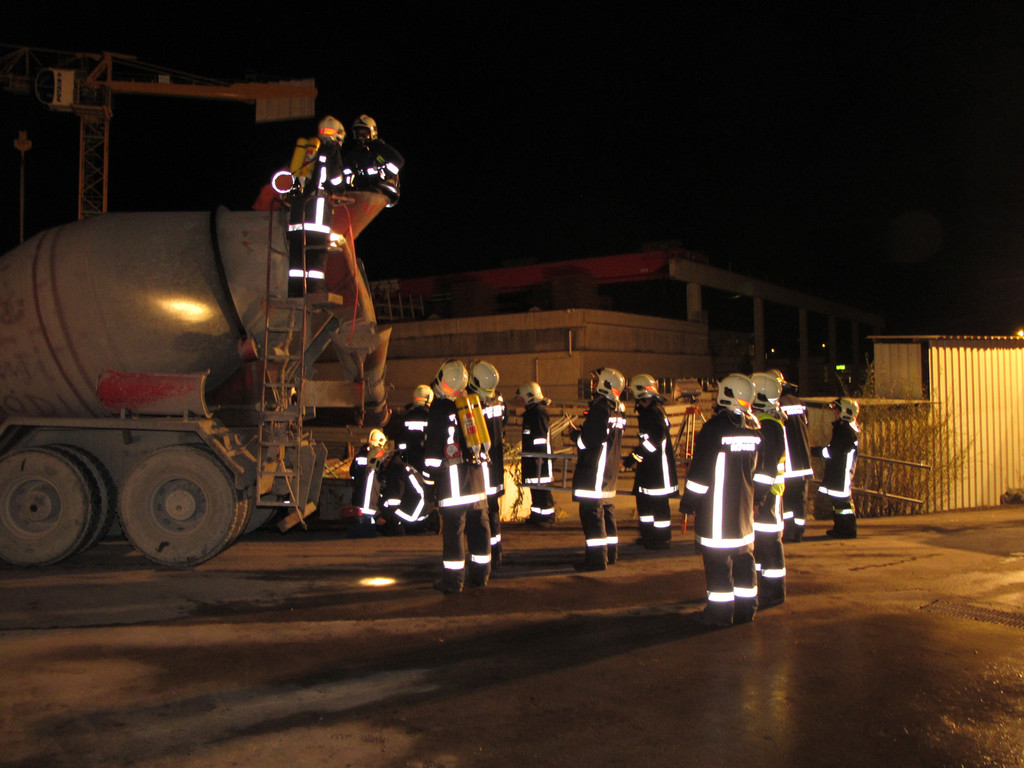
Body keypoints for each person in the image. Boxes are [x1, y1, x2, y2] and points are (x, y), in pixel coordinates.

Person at [679, 374, 762, 627]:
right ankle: (747, 609)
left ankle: (720, 614)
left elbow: (700, 475)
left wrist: (689, 503)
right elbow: (758, 471)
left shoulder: (713, 429)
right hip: (744, 513)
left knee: (718, 564)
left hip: (717, 514)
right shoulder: (754, 427)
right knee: (744, 561)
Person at [422, 359, 491, 593]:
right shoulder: (471, 404)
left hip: (453, 485)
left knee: (454, 532)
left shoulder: (439, 408)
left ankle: (453, 581)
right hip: (477, 479)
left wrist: (429, 482)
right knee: (479, 528)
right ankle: (481, 576)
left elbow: (433, 453)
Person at [570, 367, 627, 571]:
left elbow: (589, 441)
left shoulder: (601, 408)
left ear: (606, 384)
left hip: (594, 471)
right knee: (607, 513)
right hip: (608, 472)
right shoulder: (618, 409)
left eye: (597, 381)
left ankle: (596, 560)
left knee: (592, 515)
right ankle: (610, 554)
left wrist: (575, 436)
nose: (593, 384)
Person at [286, 115, 348, 296]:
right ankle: (314, 292)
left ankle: (295, 293)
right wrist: (341, 188)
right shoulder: (331, 151)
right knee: (317, 258)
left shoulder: (308, 151)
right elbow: (335, 180)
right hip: (317, 216)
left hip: (297, 217)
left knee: (297, 262)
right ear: (338, 134)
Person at [623, 374, 678, 550]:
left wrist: (634, 457)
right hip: (650, 469)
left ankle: (660, 539)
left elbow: (653, 442)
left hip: (657, 471)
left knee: (658, 506)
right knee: (645, 503)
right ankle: (648, 535)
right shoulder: (652, 412)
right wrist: (637, 459)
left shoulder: (653, 413)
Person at [751, 372, 788, 607]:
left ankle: (773, 593)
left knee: (769, 545)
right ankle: (762, 588)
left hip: (767, 496)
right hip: (769, 494)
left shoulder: (767, 426)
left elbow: (765, 469)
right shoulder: (769, 422)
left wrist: (757, 499)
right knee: (763, 545)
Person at [468, 360, 508, 566]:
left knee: (479, 514)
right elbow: (504, 422)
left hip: (481, 468)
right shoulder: (498, 399)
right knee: (493, 511)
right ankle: (496, 551)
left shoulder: (472, 402)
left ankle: (483, 555)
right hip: (496, 466)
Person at [771, 369, 814, 542]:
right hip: (803, 461)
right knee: (800, 500)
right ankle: (799, 531)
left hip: (788, 463)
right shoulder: (799, 403)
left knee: (788, 501)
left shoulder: (777, 405)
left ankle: (789, 532)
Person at [389, 384, 437, 533]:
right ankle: (425, 521)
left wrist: (403, 459)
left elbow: (400, 440)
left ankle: (413, 523)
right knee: (427, 494)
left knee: (410, 493)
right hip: (426, 464)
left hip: (409, 463)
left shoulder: (407, 417)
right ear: (429, 398)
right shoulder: (431, 416)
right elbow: (433, 441)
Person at [813, 397, 861, 539]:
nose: (835, 413)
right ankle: (840, 529)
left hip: (842, 475)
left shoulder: (845, 431)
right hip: (839, 474)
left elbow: (832, 452)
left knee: (843, 505)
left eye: (837, 410)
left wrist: (813, 451)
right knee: (838, 505)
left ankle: (847, 530)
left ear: (845, 412)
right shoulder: (844, 429)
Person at [341, 114, 405, 207]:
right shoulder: (355, 154)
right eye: (358, 133)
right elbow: (343, 169)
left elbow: (399, 161)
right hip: (362, 192)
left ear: (372, 132)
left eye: (364, 133)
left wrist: (388, 178)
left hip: (383, 190)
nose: (361, 136)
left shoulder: (380, 148)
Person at [517, 381, 556, 527]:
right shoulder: (532, 413)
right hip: (534, 458)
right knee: (536, 488)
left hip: (540, 459)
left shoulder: (538, 413)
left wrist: (540, 456)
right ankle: (537, 516)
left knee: (543, 489)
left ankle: (547, 518)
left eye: (522, 398)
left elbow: (540, 438)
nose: (521, 401)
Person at [348, 428, 387, 537]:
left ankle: (360, 530)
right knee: (369, 517)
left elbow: (352, 472)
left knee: (359, 516)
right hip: (371, 497)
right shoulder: (379, 454)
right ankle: (369, 531)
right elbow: (384, 474)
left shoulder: (360, 454)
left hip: (358, 494)